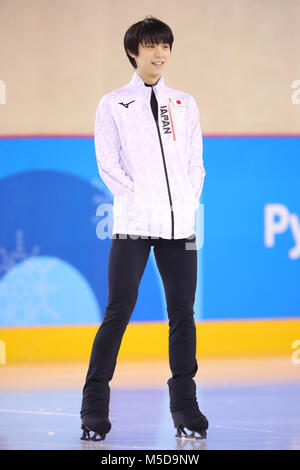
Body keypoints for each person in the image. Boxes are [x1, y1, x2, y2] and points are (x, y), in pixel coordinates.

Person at [80, 15, 208, 442]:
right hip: (134, 224)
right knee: (118, 312)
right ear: (133, 52)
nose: (160, 54)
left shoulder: (184, 104)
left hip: (180, 227)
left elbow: (195, 163)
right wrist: (140, 199)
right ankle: (93, 408)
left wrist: (186, 205)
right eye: (152, 46)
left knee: (183, 317)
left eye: (166, 46)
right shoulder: (113, 104)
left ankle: (185, 409)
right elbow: (108, 164)